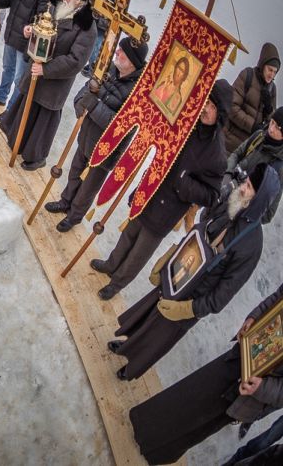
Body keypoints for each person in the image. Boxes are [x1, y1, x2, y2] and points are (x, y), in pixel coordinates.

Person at [110, 163, 279, 382]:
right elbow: (200, 231)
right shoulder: (232, 204)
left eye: (248, 187)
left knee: (157, 337)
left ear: (258, 200)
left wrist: (188, 309)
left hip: (192, 300)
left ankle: (132, 367)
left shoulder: (252, 246)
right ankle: (127, 345)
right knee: (148, 315)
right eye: (245, 182)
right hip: (179, 275)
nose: (242, 188)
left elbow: (222, 296)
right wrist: (169, 260)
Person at [91, 79, 230, 299]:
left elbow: (212, 195)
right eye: (206, 102)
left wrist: (183, 182)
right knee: (129, 233)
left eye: (212, 107)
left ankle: (117, 283)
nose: (206, 108)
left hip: (169, 207)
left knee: (140, 252)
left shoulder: (217, 155)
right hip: (151, 190)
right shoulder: (188, 124)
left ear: (220, 115)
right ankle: (111, 264)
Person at [130, 282, 283, 464]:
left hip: (250, 394)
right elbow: (277, 297)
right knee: (191, 393)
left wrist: (262, 387)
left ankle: (157, 451)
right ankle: (143, 424)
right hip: (243, 355)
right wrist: (254, 317)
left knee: (199, 424)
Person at [45, 37, 148, 231]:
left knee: (87, 188)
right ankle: (65, 201)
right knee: (75, 172)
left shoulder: (138, 91)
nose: (117, 52)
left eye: (123, 52)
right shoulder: (110, 68)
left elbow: (120, 126)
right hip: (87, 134)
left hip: (105, 150)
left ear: (132, 61)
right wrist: (79, 102)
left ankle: (74, 216)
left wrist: (92, 105)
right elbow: (89, 86)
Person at [0, 0, 97, 170]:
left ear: (79, 1)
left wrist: (46, 69)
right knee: (27, 108)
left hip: (54, 82)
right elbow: (43, 27)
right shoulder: (56, 7)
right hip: (36, 71)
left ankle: (36, 157)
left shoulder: (87, 27)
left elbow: (75, 61)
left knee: (43, 121)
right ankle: (17, 142)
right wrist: (31, 31)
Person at [226, 106, 283, 223]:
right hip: (224, 193)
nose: (271, 129)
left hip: (235, 219)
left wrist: (244, 210)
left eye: (277, 128)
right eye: (272, 122)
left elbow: (268, 214)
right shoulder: (258, 136)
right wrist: (227, 175)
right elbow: (236, 154)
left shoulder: (279, 167)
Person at [224, 42, 279, 153]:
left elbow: (271, 125)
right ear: (263, 65)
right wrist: (252, 126)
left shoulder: (272, 89)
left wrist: (269, 110)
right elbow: (231, 106)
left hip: (245, 149)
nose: (272, 75)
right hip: (227, 140)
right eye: (270, 70)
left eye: (275, 72)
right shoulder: (248, 75)